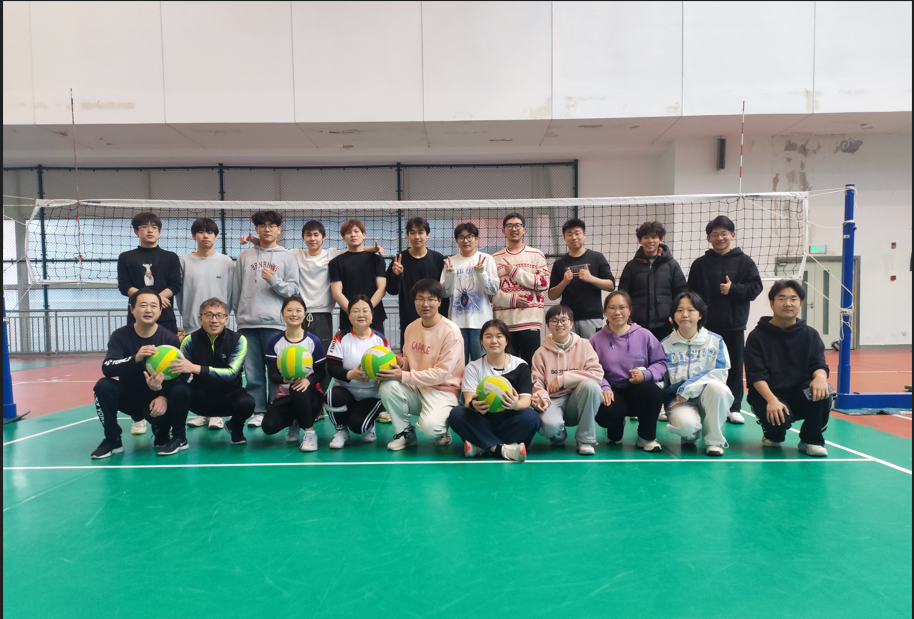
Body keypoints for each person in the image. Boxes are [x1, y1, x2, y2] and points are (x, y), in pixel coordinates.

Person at [91, 288, 190, 458]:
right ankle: (113, 440)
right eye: (143, 305)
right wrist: (135, 358)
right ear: (132, 309)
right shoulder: (120, 335)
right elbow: (107, 367)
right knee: (103, 385)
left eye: (153, 306)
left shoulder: (170, 339)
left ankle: (163, 432)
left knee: (180, 391)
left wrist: (163, 396)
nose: (148, 310)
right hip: (129, 396)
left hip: (155, 399)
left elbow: (180, 375)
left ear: (160, 310)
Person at [687, 215, 763, 425]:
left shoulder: (745, 262)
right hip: (706, 327)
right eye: (715, 234)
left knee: (735, 367)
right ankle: (701, 404)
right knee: (703, 367)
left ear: (732, 235)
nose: (720, 238)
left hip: (734, 325)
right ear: (708, 238)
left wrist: (733, 289)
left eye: (724, 233)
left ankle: (734, 407)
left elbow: (756, 288)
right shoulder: (699, 264)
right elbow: (691, 294)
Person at [745, 279, 832, 457]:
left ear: (800, 304)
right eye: (782, 298)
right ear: (771, 303)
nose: (788, 303)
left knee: (826, 391)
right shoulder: (756, 336)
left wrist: (820, 378)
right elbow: (756, 375)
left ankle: (811, 440)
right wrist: (771, 400)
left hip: (800, 394)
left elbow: (819, 364)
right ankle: (773, 434)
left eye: (793, 299)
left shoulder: (811, 335)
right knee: (777, 430)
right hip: (769, 396)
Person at [378, 279, 466, 450]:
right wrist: (399, 363)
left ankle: (443, 427)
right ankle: (406, 435)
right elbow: (409, 363)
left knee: (430, 429)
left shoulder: (451, 332)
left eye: (431, 299)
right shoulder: (411, 328)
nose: (425, 304)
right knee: (387, 385)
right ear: (414, 302)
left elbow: (441, 374)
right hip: (418, 387)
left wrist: (403, 375)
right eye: (420, 299)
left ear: (439, 301)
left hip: (443, 391)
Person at [231, 210, 299, 429]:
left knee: (276, 371)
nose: (267, 229)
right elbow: (236, 290)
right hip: (248, 323)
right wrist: (240, 315)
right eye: (262, 226)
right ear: (257, 229)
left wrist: (274, 280)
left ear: (279, 230)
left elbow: (294, 290)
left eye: (271, 226)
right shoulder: (244, 256)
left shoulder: (287, 257)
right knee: (252, 372)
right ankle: (258, 410)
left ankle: (275, 409)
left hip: (276, 323)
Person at [116, 211, 182, 436]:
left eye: (154, 227)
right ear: (137, 231)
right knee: (137, 363)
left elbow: (175, 284)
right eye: (144, 226)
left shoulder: (170, 257)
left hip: (165, 317)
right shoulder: (126, 257)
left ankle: (162, 410)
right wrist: (146, 301)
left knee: (167, 364)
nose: (150, 230)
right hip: (138, 319)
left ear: (160, 232)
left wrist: (157, 301)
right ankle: (138, 416)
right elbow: (124, 285)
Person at [449, 319, 541, 462]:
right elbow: (468, 401)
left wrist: (517, 404)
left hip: (510, 419)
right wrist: (474, 405)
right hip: (483, 418)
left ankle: (481, 445)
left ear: (506, 341)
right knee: (457, 414)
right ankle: (502, 449)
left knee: (532, 417)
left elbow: (525, 400)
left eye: (499, 336)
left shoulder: (520, 365)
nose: (494, 341)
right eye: (488, 336)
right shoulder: (473, 367)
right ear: (482, 341)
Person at [590, 290, 668, 452]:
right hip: (611, 391)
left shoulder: (645, 335)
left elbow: (661, 362)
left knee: (652, 391)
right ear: (605, 312)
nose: (617, 312)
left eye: (622, 307)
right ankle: (615, 429)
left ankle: (646, 437)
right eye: (612, 307)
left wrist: (645, 375)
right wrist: (604, 387)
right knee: (609, 415)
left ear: (630, 310)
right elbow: (590, 369)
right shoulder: (595, 340)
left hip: (638, 389)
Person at [178, 217, 235, 430]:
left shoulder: (226, 262)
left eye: (210, 232)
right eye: (201, 232)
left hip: (217, 326)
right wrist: (186, 318)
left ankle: (216, 413)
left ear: (216, 236)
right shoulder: (183, 261)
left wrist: (223, 317)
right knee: (196, 371)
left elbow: (231, 292)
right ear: (194, 236)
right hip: (193, 324)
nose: (205, 236)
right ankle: (202, 412)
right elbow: (180, 294)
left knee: (217, 368)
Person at [659, 292, 732, 457]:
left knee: (719, 388)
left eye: (691, 310)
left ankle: (714, 441)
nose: (685, 314)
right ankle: (690, 432)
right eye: (679, 310)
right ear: (673, 316)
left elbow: (720, 372)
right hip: (679, 401)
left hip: (708, 397)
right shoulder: (664, 345)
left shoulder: (715, 341)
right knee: (688, 430)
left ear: (700, 315)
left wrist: (688, 388)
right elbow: (661, 380)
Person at [172, 297, 253, 445]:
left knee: (248, 402)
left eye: (219, 315)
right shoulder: (189, 340)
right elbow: (182, 373)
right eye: (209, 315)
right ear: (200, 318)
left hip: (229, 396)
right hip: (200, 398)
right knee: (177, 390)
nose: (214, 320)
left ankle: (235, 428)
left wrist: (196, 368)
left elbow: (231, 373)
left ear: (226, 319)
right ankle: (179, 437)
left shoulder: (239, 340)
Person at [530, 305, 604, 456]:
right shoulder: (540, 353)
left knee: (591, 386)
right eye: (554, 321)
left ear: (571, 323)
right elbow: (537, 383)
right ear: (548, 325)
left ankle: (585, 440)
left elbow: (597, 374)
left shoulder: (584, 345)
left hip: (577, 399)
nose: (559, 324)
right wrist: (542, 399)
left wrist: (563, 380)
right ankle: (558, 434)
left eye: (564, 320)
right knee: (548, 427)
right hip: (553, 400)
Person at [323, 294, 390, 448]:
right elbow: (332, 368)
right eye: (356, 311)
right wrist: (350, 375)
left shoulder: (380, 339)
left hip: (371, 395)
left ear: (372, 315)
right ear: (349, 315)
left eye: (365, 310)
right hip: (346, 391)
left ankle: (369, 425)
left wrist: (382, 376)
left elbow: (389, 368)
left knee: (357, 426)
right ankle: (341, 431)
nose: (361, 315)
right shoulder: (340, 337)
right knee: (331, 396)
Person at [262, 295, 327, 452]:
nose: (294, 314)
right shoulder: (275, 342)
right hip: (285, 396)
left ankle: (310, 433)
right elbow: (272, 375)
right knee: (269, 426)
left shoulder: (313, 341)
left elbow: (321, 373)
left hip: (310, 395)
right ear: (282, 313)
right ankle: (295, 422)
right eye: (289, 310)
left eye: (298, 310)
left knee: (297, 389)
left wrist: (308, 381)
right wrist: (285, 379)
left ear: (304, 314)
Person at [492, 213, 550, 366]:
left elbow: (544, 283)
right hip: (504, 325)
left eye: (518, 225)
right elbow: (490, 293)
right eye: (509, 226)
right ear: (503, 230)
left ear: (524, 229)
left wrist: (515, 272)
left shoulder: (536, 255)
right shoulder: (494, 258)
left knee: (530, 367)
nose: (514, 229)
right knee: (507, 368)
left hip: (530, 322)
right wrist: (512, 300)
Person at [618, 221, 687, 344]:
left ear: (661, 239)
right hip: (637, 326)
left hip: (665, 326)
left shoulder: (672, 265)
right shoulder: (631, 267)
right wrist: (627, 317)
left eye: (654, 237)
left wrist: (676, 313)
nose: (650, 241)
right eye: (646, 237)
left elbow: (682, 292)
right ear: (640, 240)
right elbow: (623, 295)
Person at [440, 222, 500, 363]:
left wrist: (481, 272)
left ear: (476, 239)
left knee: (481, 364)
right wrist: (449, 274)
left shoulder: (487, 259)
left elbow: (493, 290)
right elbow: (445, 293)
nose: (465, 241)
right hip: (456, 324)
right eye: (461, 237)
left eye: (469, 237)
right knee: (459, 364)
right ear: (457, 240)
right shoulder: (450, 261)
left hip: (480, 323)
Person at [386, 216, 449, 348]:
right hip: (408, 317)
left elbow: (443, 291)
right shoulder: (399, 259)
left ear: (427, 234)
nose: (417, 237)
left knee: (434, 351)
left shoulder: (437, 259)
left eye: (420, 232)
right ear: (408, 235)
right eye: (412, 232)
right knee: (410, 353)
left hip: (434, 318)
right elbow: (392, 290)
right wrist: (397, 275)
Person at [548, 218, 615, 339]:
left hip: (592, 317)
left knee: (592, 349)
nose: (574, 237)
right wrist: (564, 282)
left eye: (577, 233)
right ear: (564, 238)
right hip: (567, 319)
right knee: (569, 350)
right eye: (570, 234)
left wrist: (591, 278)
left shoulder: (597, 257)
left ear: (584, 235)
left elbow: (611, 285)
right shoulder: (559, 263)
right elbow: (551, 295)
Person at [329, 219, 388, 334]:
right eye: (348, 232)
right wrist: (353, 312)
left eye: (356, 231)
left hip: (374, 317)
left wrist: (367, 311)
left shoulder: (377, 259)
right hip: (348, 319)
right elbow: (336, 293)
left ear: (364, 235)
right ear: (344, 238)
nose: (353, 235)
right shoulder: (336, 263)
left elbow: (381, 289)